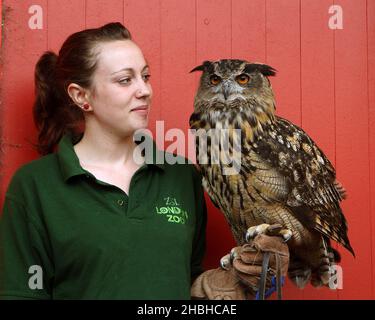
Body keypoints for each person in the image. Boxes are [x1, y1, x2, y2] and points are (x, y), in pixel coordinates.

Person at [0, 22, 289, 300]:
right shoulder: (36, 186)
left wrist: (221, 286)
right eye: (126, 80)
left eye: (146, 76)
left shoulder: (181, 176)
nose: (144, 90)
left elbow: (180, 279)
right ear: (81, 96)